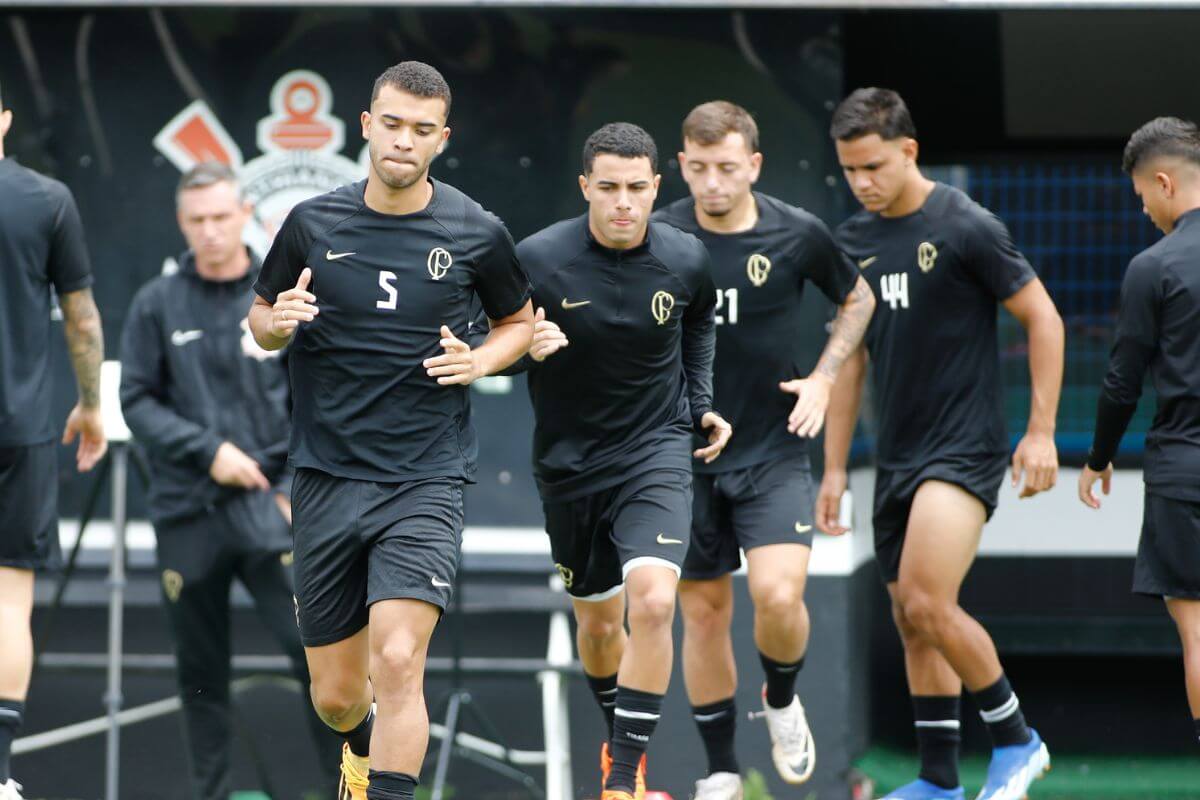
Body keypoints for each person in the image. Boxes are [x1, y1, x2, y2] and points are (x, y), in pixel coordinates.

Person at [247, 61, 533, 800]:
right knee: (338, 695)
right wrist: (276, 326)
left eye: (422, 130)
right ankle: (359, 752)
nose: (405, 141)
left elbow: (518, 324)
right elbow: (260, 316)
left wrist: (481, 362)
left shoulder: (477, 231)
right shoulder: (313, 222)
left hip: (425, 479)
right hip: (324, 478)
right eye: (393, 124)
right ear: (368, 125)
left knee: (400, 658)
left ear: (443, 139)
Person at [819, 88, 1064, 800]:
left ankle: (1018, 739)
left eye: (873, 166)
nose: (862, 182)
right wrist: (834, 469)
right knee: (910, 620)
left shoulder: (966, 225)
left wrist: (1042, 431)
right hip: (893, 455)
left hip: (963, 450)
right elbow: (850, 359)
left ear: (908, 151)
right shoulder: (851, 241)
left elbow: (1042, 319)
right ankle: (937, 781)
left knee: (927, 601)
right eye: (848, 170)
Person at [653, 100, 874, 799]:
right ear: (680, 165)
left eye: (725, 168)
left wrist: (824, 376)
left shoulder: (797, 233)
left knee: (779, 596)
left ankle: (781, 700)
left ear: (753, 165)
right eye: (697, 168)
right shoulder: (658, 236)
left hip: (775, 450)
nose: (711, 182)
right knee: (705, 612)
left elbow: (860, 299)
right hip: (684, 459)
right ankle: (720, 767)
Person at [510, 121, 731, 800]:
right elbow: (484, 334)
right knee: (600, 624)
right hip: (570, 466)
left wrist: (701, 405)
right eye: (608, 188)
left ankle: (626, 780)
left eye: (637, 188)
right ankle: (617, 753)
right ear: (586, 187)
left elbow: (698, 322)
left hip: (657, 451)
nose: (623, 202)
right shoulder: (536, 259)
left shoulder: (686, 258)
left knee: (656, 603)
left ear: (656, 186)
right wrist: (525, 342)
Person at [119, 162, 339, 799]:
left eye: (220, 216)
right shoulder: (157, 302)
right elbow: (135, 399)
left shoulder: (281, 298)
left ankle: (344, 790)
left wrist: (296, 488)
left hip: (270, 507)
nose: (210, 231)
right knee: (200, 673)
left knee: (318, 659)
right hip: (188, 510)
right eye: (197, 220)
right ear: (181, 223)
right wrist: (205, 449)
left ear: (246, 213)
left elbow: (320, 401)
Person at [0, 83, 107, 800]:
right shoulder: (46, 199)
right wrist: (92, 406)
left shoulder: (50, 199)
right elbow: (82, 320)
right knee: (8, 601)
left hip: (26, 430)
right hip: (22, 431)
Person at [1079, 116, 1200, 749]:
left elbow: (1122, 382)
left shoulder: (1153, 267)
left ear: (1163, 182)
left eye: (1142, 197)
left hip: (1185, 476)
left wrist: (1099, 458)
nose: (1145, 211)